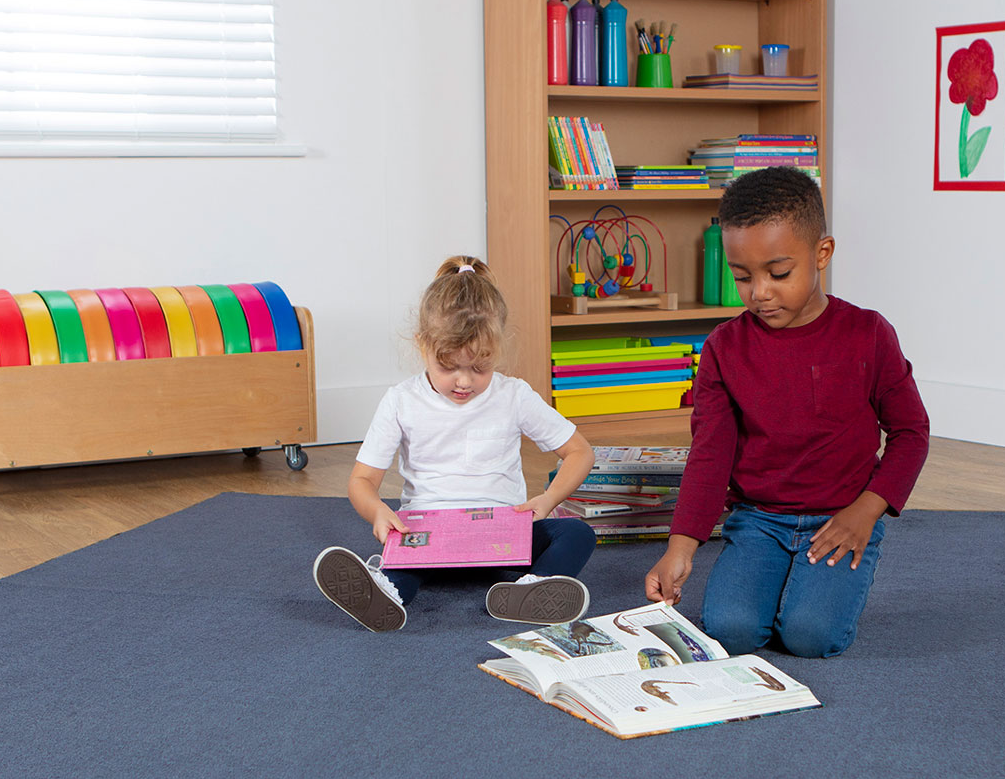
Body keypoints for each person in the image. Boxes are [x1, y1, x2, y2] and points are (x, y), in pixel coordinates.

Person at [645, 169, 929, 658]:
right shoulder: (722, 348)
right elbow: (711, 455)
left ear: (822, 254)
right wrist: (681, 546)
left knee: (811, 637)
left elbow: (910, 432)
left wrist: (867, 511)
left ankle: (810, 591)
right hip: (758, 519)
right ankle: (775, 583)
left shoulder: (869, 333)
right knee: (729, 633)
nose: (760, 291)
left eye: (778, 273)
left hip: (842, 516)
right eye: (742, 276)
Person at [314, 256, 597, 632]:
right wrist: (378, 513)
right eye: (448, 365)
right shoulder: (401, 400)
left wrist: (547, 500)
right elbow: (361, 481)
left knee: (577, 533)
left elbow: (579, 452)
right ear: (422, 346)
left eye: (480, 367)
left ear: (498, 349)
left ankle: (531, 589)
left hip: (503, 537)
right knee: (401, 557)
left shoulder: (514, 395)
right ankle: (385, 591)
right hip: (428, 538)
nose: (464, 381)